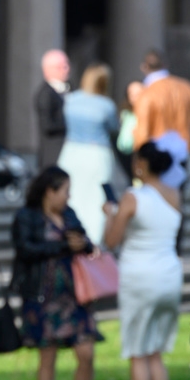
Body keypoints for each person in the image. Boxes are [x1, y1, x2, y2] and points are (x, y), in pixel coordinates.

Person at [11, 166, 102, 380]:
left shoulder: (69, 214)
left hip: (73, 297)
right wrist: (63, 247)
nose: (68, 197)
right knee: (47, 357)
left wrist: (83, 243)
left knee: (86, 353)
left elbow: (85, 243)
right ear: (49, 191)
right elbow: (25, 249)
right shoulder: (26, 217)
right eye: (64, 191)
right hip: (42, 297)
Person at [103, 141, 184, 380]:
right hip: (169, 275)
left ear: (141, 164)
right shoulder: (173, 194)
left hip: (139, 276)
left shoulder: (132, 197)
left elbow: (112, 240)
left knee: (137, 351)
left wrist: (110, 214)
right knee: (155, 352)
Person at [58, 63, 119, 244]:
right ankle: (92, 239)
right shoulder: (106, 105)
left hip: (71, 152)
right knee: (95, 199)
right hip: (96, 153)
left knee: (72, 195)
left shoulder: (71, 100)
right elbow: (114, 128)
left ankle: (71, 233)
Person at [133, 49, 190, 151]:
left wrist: (140, 156)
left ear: (144, 67)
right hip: (183, 148)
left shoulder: (146, 94)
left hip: (156, 153)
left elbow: (142, 131)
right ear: (165, 65)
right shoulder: (186, 87)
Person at [35, 50, 70, 169]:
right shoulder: (45, 94)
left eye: (66, 65)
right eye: (60, 67)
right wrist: (71, 124)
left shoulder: (70, 89)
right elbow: (47, 125)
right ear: (47, 70)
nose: (65, 69)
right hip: (53, 153)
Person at [116, 81, 144, 177]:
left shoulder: (149, 115)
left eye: (139, 94)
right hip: (127, 156)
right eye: (132, 95)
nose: (136, 98)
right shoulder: (125, 114)